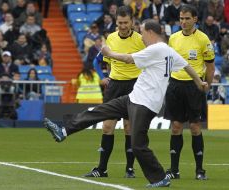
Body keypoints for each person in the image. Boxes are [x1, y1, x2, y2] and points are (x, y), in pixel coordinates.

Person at [44, 19, 208, 188]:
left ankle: (160, 177)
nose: (142, 37)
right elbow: (187, 66)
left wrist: (109, 53)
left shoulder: (156, 49)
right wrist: (199, 82)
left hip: (145, 104)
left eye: (143, 32)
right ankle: (64, 130)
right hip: (134, 98)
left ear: (151, 32)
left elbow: (128, 59)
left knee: (138, 145)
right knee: (100, 111)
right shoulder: (168, 50)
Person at [86, 6, 145, 178]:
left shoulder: (141, 40)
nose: (123, 26)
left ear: (132, 22)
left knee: (129, 128)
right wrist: (104, 77)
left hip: (134, 86)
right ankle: (102, 169)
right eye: (120, 22)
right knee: (107, 127)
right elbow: (101, 60)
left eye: (126, 22)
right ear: (116, 22)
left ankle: (130, 169)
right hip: (114, 86)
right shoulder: (110, 38)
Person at [163, 4, 215, 180]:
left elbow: (210, 65)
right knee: (176, 127)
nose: (183, 22)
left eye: (187, 18)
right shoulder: (173, 38)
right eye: (181, 18)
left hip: (194, 87)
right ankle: (174, 170)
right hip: (175, 85)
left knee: (194, 127)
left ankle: (200, 171)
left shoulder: (203, 39)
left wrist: (206, 83)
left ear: (195, 19)